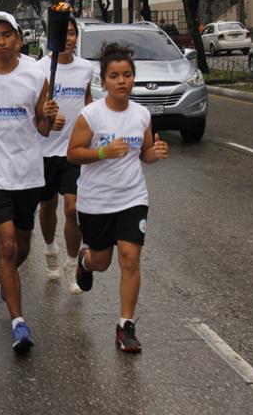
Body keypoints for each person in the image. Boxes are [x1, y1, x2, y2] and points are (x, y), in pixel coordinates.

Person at [0, 11, 59, 353]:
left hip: (28, 173)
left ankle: (8, 277)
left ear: (18, 39)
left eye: (7, 35)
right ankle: (19, 323)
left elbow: (43, 128)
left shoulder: (35, 75)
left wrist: (50, 119)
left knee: (21, 248)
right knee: (6, 247)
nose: (1, 42)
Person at [67, 43, 169, 353]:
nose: (121, 81)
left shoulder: (142, 114)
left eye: (127, 75)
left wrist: (155, 153)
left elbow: (144, 153)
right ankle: (84, 262)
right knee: (102, 262)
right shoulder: (91, 115)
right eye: (114, 76)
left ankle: (125, 325)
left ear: (133, 78)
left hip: (132, 198)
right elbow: (73, 154)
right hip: (96, 201)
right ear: (105, 81)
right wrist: (102, 152)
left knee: (130, 257)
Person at [34, 17, 93, 293]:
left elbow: (88, 102)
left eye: (72, 33)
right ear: (52, 38)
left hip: (73, 151)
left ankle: (72, 266)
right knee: (47, 207)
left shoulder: (85, 69)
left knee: (72, 209)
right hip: (45, 151)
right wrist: (46, 120)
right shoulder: (39, 70)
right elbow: (33, 111)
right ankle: (49, 251)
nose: (68, 38)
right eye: (64, 34)